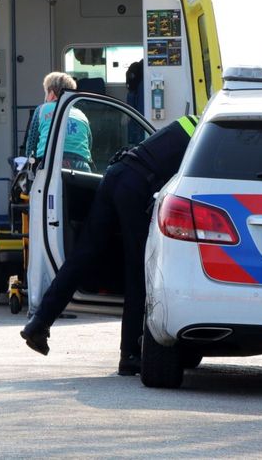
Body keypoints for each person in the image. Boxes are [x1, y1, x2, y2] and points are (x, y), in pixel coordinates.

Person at [20, 114, 199, 375]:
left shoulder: (189, 122)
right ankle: (129, 354)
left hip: (116, 174)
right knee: (139, 271)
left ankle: (39, 322)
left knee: (83, 255)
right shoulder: (208, 133)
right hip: (136, 186)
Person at [22, 72, 93, 170]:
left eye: (46, 93)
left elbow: (31, 144)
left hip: (49, 163)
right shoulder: (81, 115)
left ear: (51, 94)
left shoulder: (42, 109)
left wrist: (30, 162)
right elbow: (89, 144)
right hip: (81, 165)